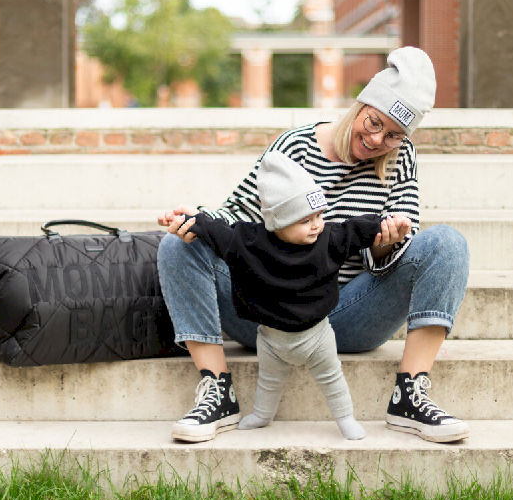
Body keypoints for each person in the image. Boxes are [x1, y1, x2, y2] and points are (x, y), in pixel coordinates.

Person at [157, 46, 470, 445]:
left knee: (448, 244)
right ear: (360, 105)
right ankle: (218, 392)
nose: (377, 139)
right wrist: (197, 219)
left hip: (348, 315)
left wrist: (384, 245)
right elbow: (238, 214)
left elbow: (402, 250)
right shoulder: (296, 146)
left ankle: (409, 395)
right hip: (268, 313)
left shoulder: (400, 157)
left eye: (394, 135)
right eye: (374, 122)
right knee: (178, 246)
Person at [168, 152, 393, 441]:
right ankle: (263, 415)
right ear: (277, 222)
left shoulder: (328, 238)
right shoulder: (249, 241)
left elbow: (355, 230)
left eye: (319, 215)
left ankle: (345, 418)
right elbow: (218, 232)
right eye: (305, 220)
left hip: (318, 336)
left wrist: (384, 223)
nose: (316, 224)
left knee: (332, 379)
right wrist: (193, 221)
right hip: (271, 339)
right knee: (269, 381)